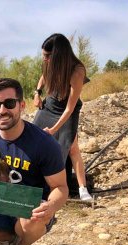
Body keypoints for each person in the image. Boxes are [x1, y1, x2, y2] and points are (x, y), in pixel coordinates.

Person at [0, 78, 68, 245]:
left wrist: (50, 207)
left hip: (30, 209)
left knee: (30, 220)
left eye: (9, 103)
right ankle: (8, 240)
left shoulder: (44, 144)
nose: (2, 110)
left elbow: (61, 187)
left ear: (22, 105)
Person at [33, 33, 93, 202]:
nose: (44, 59)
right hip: (49, 105)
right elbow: (44, 77)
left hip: (67, 110)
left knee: (72, 147)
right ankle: (37, 185)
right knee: (34, 140)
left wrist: (53, 130)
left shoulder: (77, 71)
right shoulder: (50, 64)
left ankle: (82, 189)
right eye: (43, 55)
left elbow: (70, 107)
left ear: (58, 55)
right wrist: (37, 93)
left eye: (47, 56)